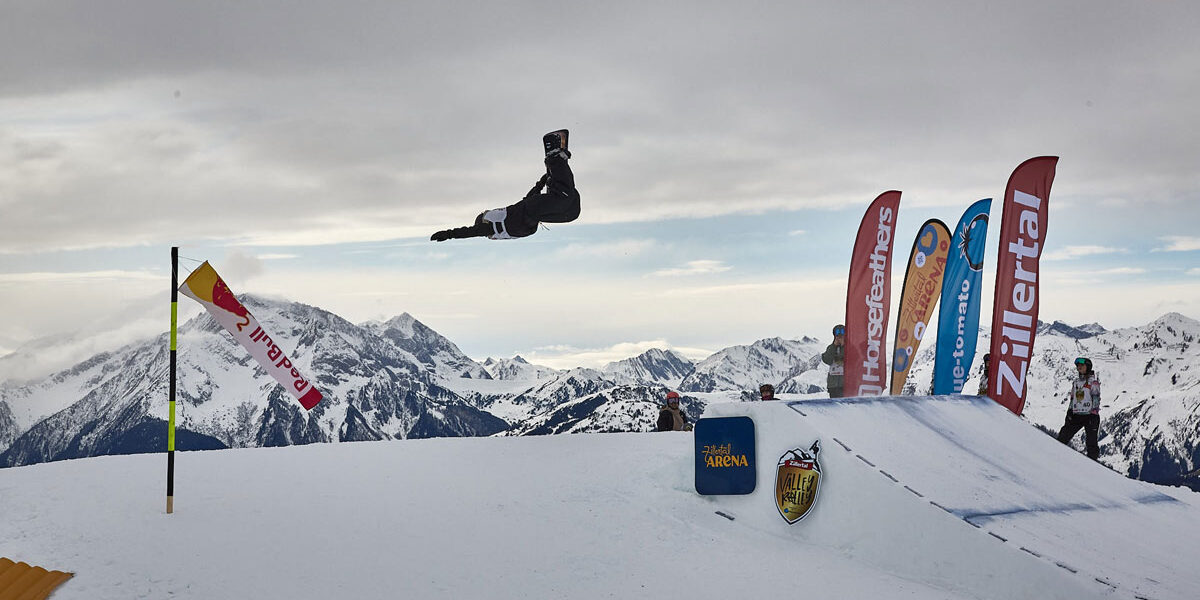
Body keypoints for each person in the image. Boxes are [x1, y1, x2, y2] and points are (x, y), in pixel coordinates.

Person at [431, 129, 580, 242]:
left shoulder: (491, 227)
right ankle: (556, 170)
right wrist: (546, 178)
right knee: (572, 211)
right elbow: (532, 194)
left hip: (534, 209)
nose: (489, 237)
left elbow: (470, 231)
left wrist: (448, 234)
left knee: (564, 197)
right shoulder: (510, 217)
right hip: (538, 211)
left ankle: (554, 157)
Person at [1057, 357, 1101, 460]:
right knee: (1063, 436)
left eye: (1082, 365)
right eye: (1078, 366)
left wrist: (1094, 414)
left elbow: (1096, 398)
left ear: (1088, 367)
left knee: (1091, 444)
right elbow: (1073, 398)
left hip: (1090, 416)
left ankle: (1093, 468)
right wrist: (1069, 412)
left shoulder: (1093, 382)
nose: (1079, 367)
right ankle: (1055, 457)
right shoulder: (1076, 382)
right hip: (1076, 415)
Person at [822, 324, 846, 398]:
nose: (839, 335)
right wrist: (834, 346)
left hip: (845, 383)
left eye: (842, 332)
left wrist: (843, 346)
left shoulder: (850, 347)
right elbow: (827, 359)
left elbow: (852, 360)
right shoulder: (831, 347)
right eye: (837, 333)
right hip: (833, 384)